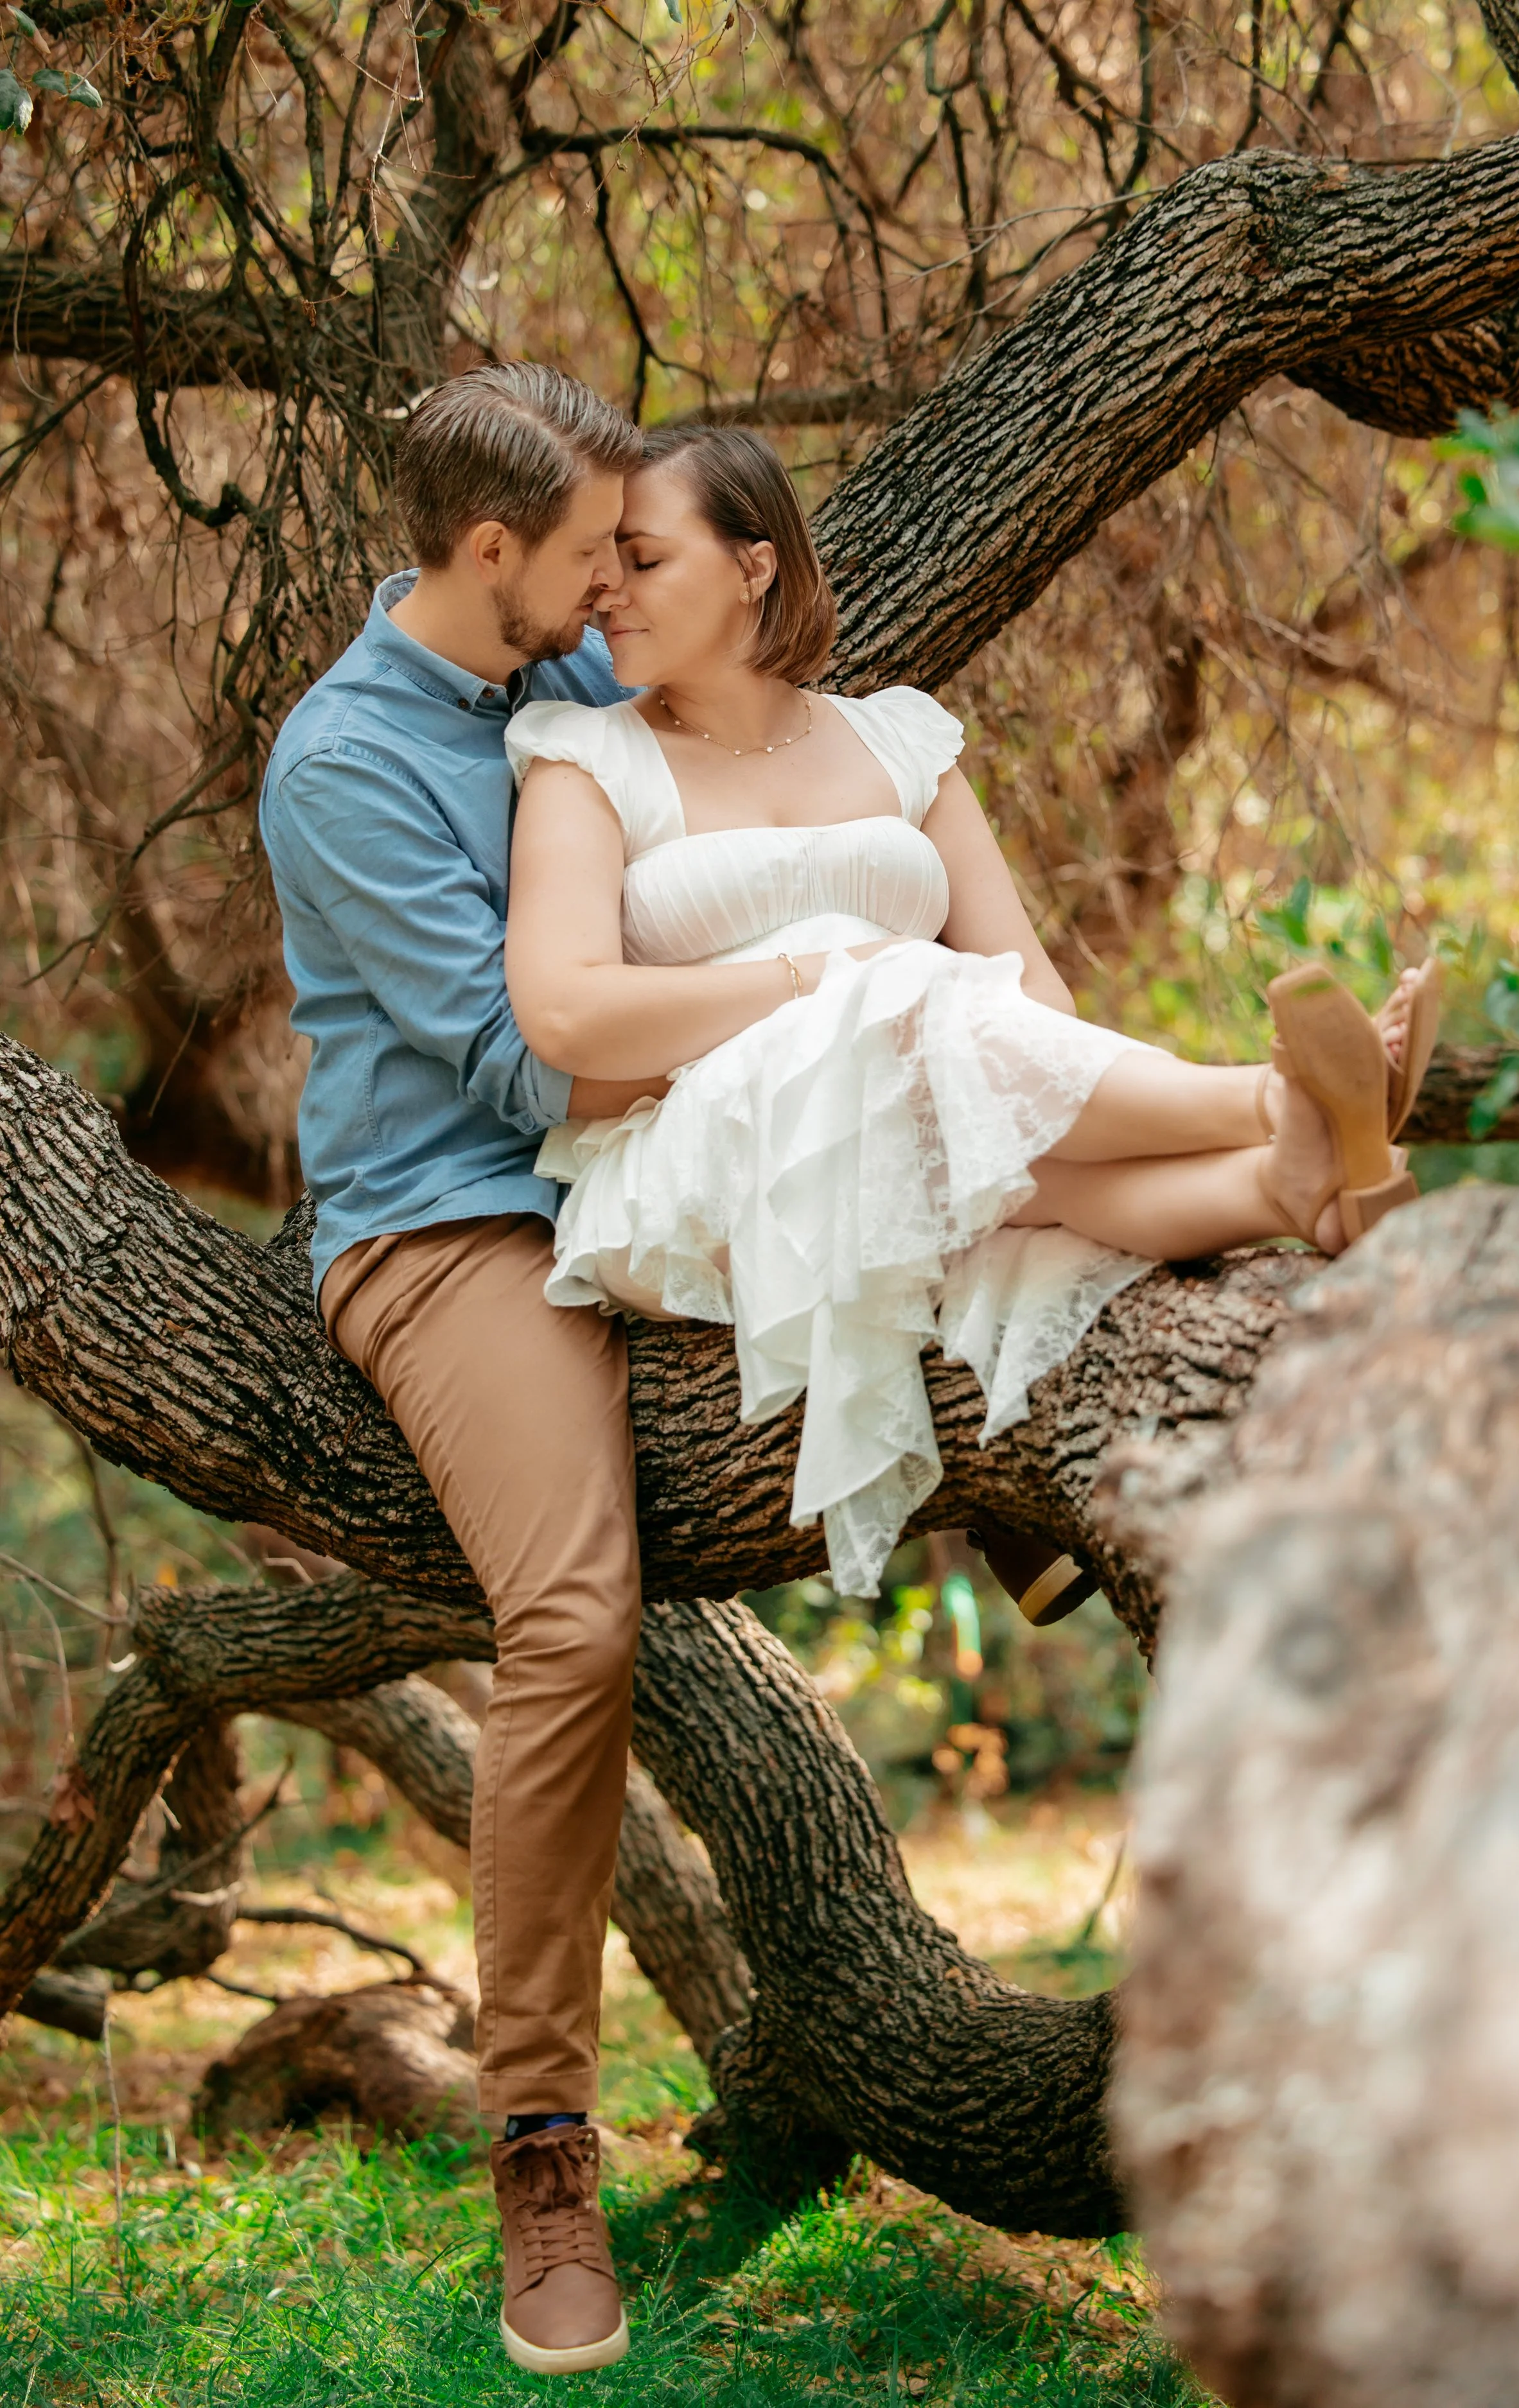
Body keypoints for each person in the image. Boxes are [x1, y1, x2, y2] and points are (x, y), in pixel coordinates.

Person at [502, 425, 1441, 1605]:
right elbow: (565, 1012)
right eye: (604, 568)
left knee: (1015, 1164)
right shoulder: (587, 760)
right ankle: (1275, 1094)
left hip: (913, 1098)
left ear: (754, 564)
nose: (608, 594)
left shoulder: (899, 736)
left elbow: (1028, 989)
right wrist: (829, 978)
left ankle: (1290, 1185)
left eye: (642, 559)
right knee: (899, 992)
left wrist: (925, 1024)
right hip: (702, 1168)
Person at [259, 365, 663, 2378]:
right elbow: (518, 1067)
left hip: (646, 1165)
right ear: (490, 548)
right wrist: (795, 1010)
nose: (618, 579)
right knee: (572, 1613)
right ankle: (542, 2150)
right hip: (457, 1220)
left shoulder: (566, 677)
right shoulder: (342, 761)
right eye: (590, 548)